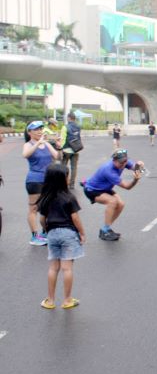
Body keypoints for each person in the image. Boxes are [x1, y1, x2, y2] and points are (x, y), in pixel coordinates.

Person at [37, 163, 85, 310]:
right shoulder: (69, 197)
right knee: (67, 269)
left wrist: (47, 230)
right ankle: (67, 300)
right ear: (62, 179)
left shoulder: (45, 198)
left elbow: (41, 219)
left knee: (53, 268)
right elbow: (75, 218)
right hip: (68, 233)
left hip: (52, 234)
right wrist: (82, 233)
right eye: (67, 175)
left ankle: (50, 300)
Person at [82, 149, 144, 240]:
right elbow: (127, 187)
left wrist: (139, 166)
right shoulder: (109, 170)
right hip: (92, 190)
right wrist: (135, 180)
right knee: (113, 202)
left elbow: (136, 169)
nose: (123, 164)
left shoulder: (124, 161)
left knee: (121, 204)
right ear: (114, 161)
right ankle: (105, 232)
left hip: (105, 188)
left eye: (125, 161)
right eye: (120, 163)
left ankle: (105, 228)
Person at [23, 121, 59, 245]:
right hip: (34, 180)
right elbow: (25, 154)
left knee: (48, 208)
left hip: (48, 180)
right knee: (34, 208)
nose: (39, 131)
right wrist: (38, 143)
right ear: (29, 132)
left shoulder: (47, 144)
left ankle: (45, 232)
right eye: (36, 129)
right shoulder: (28, 144)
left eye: (41, 128)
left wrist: (57, 146)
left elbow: (57, 156)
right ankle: (34, 236)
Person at [60, 112, 82, 189]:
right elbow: (78, 137)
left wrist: (60, 149)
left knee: (63, 167)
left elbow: (62, 139)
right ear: (74, 118)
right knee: (74, 167)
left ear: (69, 118)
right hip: (76, 150)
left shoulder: (65, 127)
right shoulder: (78, 127)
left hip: (66, 150)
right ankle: (72, 184)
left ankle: (63, 182)